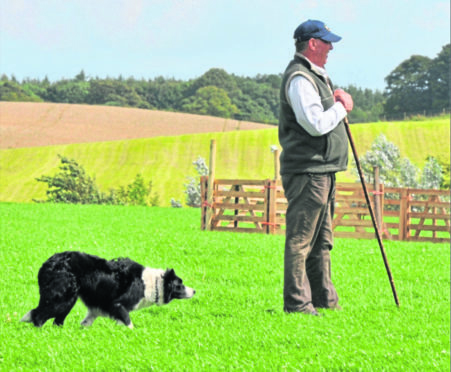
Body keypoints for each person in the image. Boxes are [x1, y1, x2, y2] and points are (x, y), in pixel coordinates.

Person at [278, 19, 354, 316]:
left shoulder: (315, 76)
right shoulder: (299, 78)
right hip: (308, 171)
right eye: (326, 42)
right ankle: (297, 305)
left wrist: (334, 99)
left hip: (322, 170)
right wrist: (341, 107)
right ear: (312, 43)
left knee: (322, 241)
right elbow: (314, 125)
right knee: (301, 240)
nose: (331, 47)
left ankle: (324, 300)